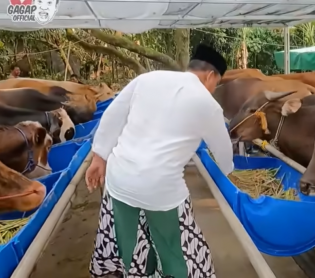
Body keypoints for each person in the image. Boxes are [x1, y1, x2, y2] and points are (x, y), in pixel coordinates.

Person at [87, 44, 234, 278]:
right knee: (178, 249)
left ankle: (135, 272)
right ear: (210, 76)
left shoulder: (147, 79)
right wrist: (229, 174)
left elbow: (113, 114)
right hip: (161, 188)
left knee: (131, 240)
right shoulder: (208, 105)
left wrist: (99, 158)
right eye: (216, 84)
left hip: (120, 177)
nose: (213, 89)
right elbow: (224, 152)